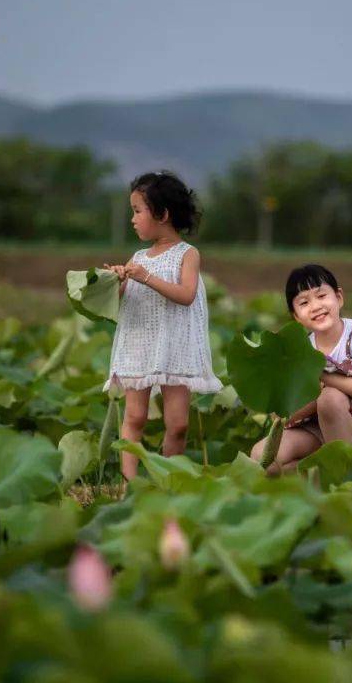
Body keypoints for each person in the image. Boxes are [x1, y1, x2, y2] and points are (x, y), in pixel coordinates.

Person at [103, 172, 221, 480]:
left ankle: (169, 480)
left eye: (138, 211)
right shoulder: (138, 257)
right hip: (139, 344)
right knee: (135, 416)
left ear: (163, 214)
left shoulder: (187, 254)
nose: (133, 219)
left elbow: (186, 295)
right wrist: (117, 281)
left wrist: (146, 277)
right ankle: (130, 485)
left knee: (178, 423)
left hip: (175, 347)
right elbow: (121, 303)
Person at [250, 264, 352, 473]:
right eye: (304, 302)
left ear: (339, 297)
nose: (316, 306)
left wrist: (322, 377)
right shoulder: (302, 349)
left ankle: (347, 474)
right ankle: (321, 474)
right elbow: (285, 416)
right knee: (261, 458)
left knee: (330, 399)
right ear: (296, 316)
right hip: (316, 427)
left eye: (321, 296)